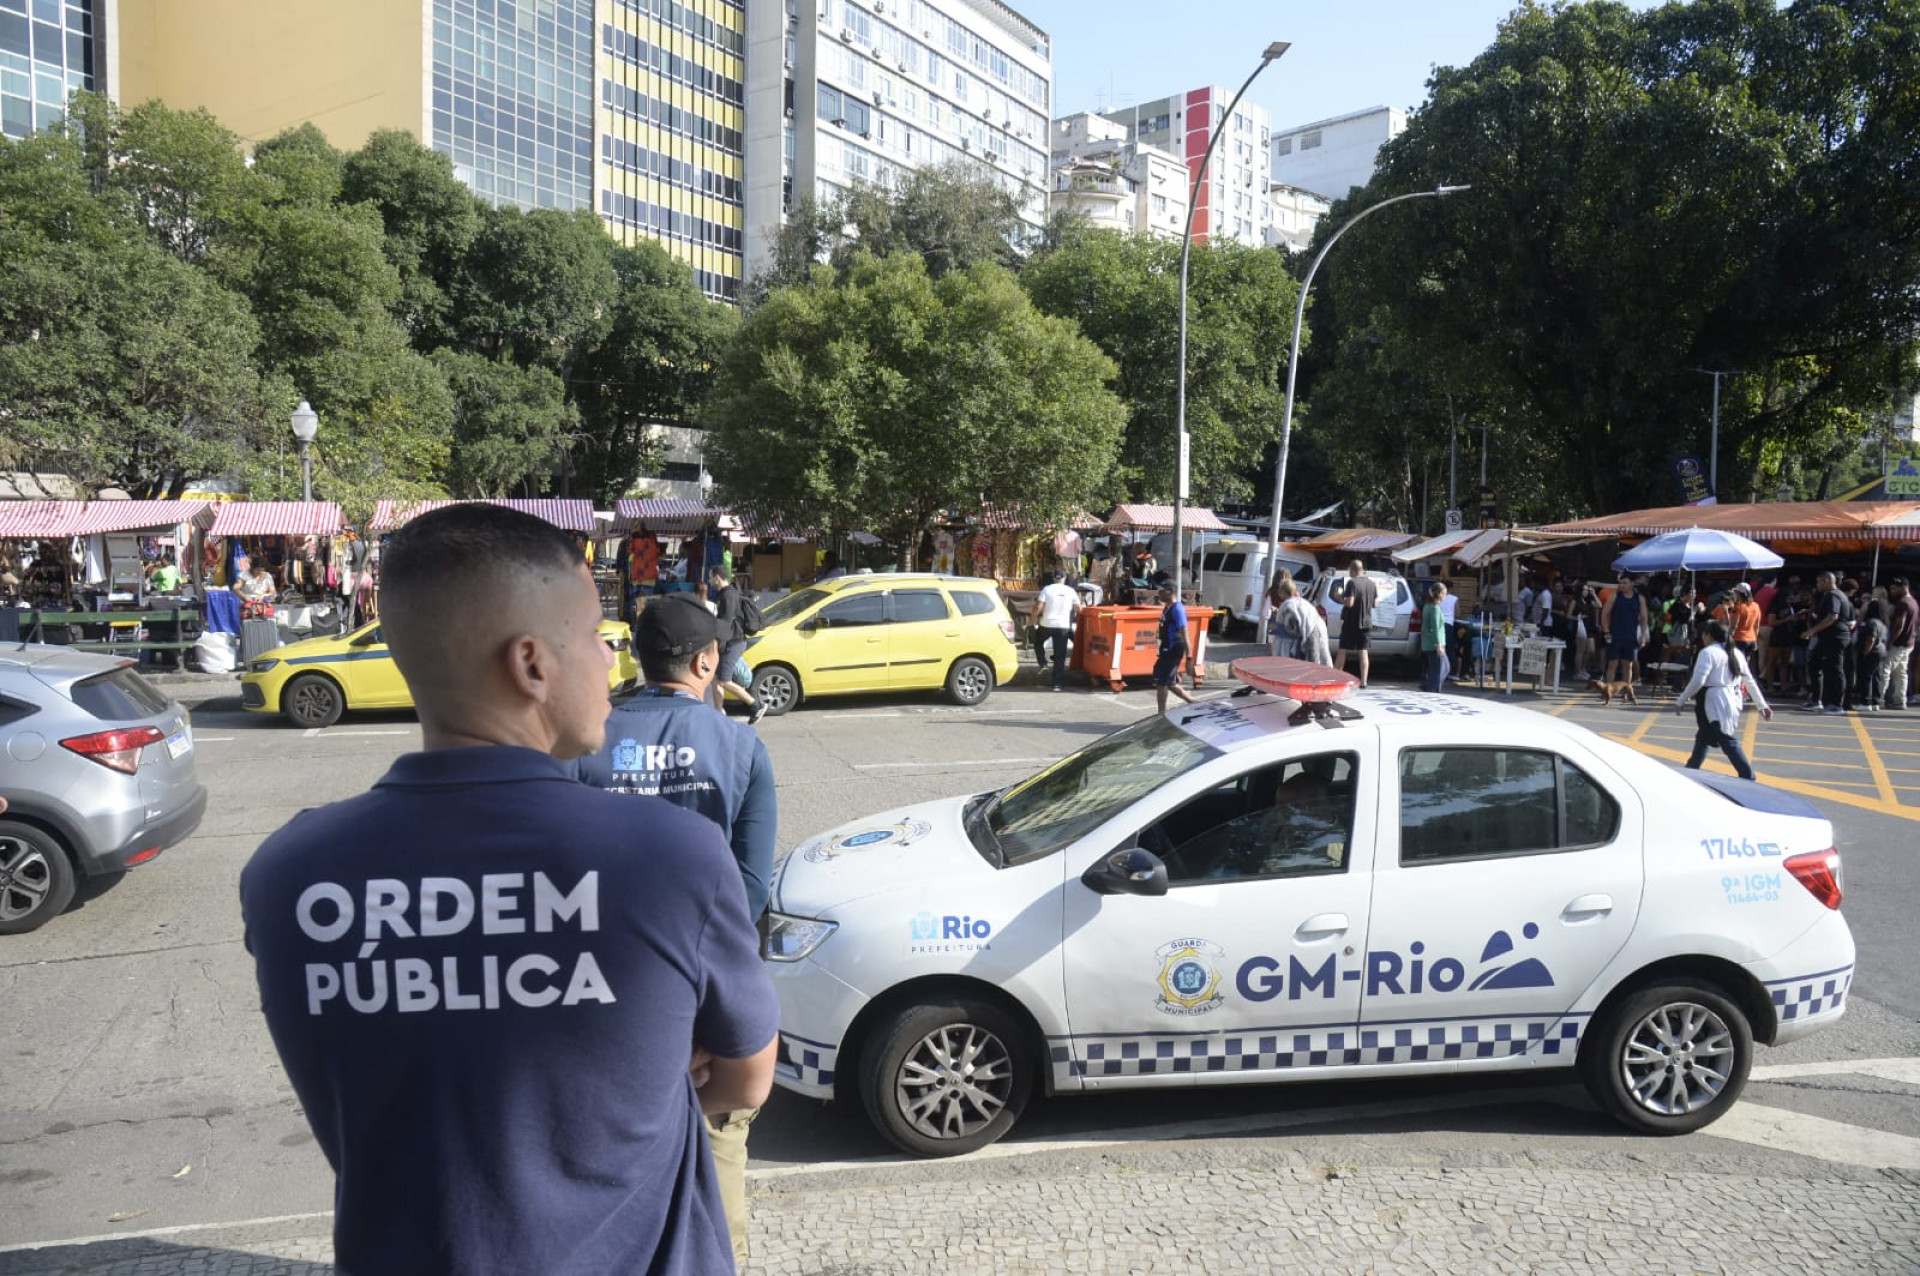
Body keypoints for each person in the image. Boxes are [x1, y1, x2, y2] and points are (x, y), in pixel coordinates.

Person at [237, 504, 778, 1276]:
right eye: (596, 636)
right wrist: (643, 1092)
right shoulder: (670, 857)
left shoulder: (287, 872)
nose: (611, 663)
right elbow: (747, 1075)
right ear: (532, 663)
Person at [574, 592, 778, 1270]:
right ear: (707, 659)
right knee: (716, 1196)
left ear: (638, 655)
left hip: (603, 1008)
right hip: (707, 1008)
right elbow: (749, 890)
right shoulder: (742, 747)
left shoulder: (586, 739)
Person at [1674, 618, 1773, 779]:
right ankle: (1691, 769)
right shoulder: (1735, 652)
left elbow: (1698, 680)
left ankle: (1747, 774)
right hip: (1731, 697)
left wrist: (1681, 699)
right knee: (1704, 735)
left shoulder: (1708, 652)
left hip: (1714, 699)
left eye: (1703, 634)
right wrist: (1762, 705)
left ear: (1708, 635)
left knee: (1726, 739)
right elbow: (1749, 680)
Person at [707, 565, 767, 724]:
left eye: (710, 577)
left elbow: (725, 623)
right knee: (716, 678)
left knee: (724, 680)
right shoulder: (726, 594)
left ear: (717, 578)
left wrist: (709, 626)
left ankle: (756, 705)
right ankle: (718, 713)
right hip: (729, 642)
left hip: (733, 643)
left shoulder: (728, 596)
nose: (709, 580)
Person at [1800, 570, 1850, 714]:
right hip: (1827, 637)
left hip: (1835, 638)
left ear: (1827, 581)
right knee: (1814, 664)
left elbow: (1832, 617)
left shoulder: (1833, 595)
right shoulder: (1834, 595)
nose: (1817, 585)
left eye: (1819, 582)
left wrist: (1812, 631)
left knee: (1835, 669)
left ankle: (1837, 704)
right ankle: (1817, 700)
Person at [1029, 571, 1079, 691]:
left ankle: (1043, 663)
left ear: (1054, 579)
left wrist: (1031, 622)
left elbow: (1038, 607)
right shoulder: (1071, 591)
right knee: (1060, 656)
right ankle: (1057, 684)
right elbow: (1079, 608)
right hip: (1063, 626)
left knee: (1037, 642)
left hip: (1047, 624)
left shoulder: (1047, 589)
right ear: (1065, 578)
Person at [1331, 561, 1379, 688]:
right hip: (1367, 623)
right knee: (1363, 651)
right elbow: (1375, 604)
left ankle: (1336, 678)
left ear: (1352, 570)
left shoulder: (1352, 583)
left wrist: (1338, 598)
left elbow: (1349, 603)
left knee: (1342, 650)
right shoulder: (1372, 584)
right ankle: (1364, 681)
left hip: (1351, 622)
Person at [1600, 574, 1648, 687]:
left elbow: (1644, 617)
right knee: (1612, 664)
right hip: (1615, 635)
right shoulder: (1614, 596)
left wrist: (1643, 635)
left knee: (1628, 665)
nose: (1621, 585)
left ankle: (1626, 691)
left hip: (1630, 635)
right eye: (1620, 583)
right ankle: (1609, 689)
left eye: (1625, 583)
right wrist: (1606, 631)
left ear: (1632, 583)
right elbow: (1604, 613)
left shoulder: (1639, 598)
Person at [1270, 576, 1330, 666]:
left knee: (1311, 665)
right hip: (1318, 628)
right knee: (1318, 662)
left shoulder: (1288, 606)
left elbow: (1293, 630)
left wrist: (1276, 628)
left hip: (1311, 632)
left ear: (1282, 592)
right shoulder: (1300, 601)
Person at [1153, 585, 1195, 712]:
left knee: (1162, 682)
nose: (1158, 593)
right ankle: (1194, 703)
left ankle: (1161, 715)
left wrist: (1189, 658)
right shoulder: (1167, 607)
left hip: (1173, 649)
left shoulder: (1177, 609)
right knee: (1169, 683)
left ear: (1170, 592)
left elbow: (1185, 634)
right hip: (1165, 649)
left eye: (1162, 590)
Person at [1883, 578, 1917, 710]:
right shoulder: (1913, 602)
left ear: (1903, 587)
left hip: (1898, 643)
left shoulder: (1902, 604)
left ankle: (1878, 698)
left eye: (1894, 588)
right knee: (1901, 672)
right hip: (1909, 643)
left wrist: (1889, 642)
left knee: (1885, 670)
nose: (1892, 591)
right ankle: (1899, 700)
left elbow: (1899, 626)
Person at [1854, 595, 1889, 714]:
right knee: (1876, 676)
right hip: (1881, 651)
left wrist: (1865, 652)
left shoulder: (1872, 623)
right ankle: (1875, 701)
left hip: (1872, 651)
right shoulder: (1882, 623)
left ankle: (1865, 701)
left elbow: (1871, 638)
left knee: (1866, 676)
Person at [1420, 581, 1450, 693]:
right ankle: (1432, 689)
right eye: (1445, 594)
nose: (1446, 596)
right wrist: (1438, 645)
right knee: (1439, 670)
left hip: (1428, 643)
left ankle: (1428, 686)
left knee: (1444, 668)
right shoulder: (1434, 609)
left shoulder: (1428, 606)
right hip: (1435, 644)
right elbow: (1435, 628)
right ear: (1440, 594)